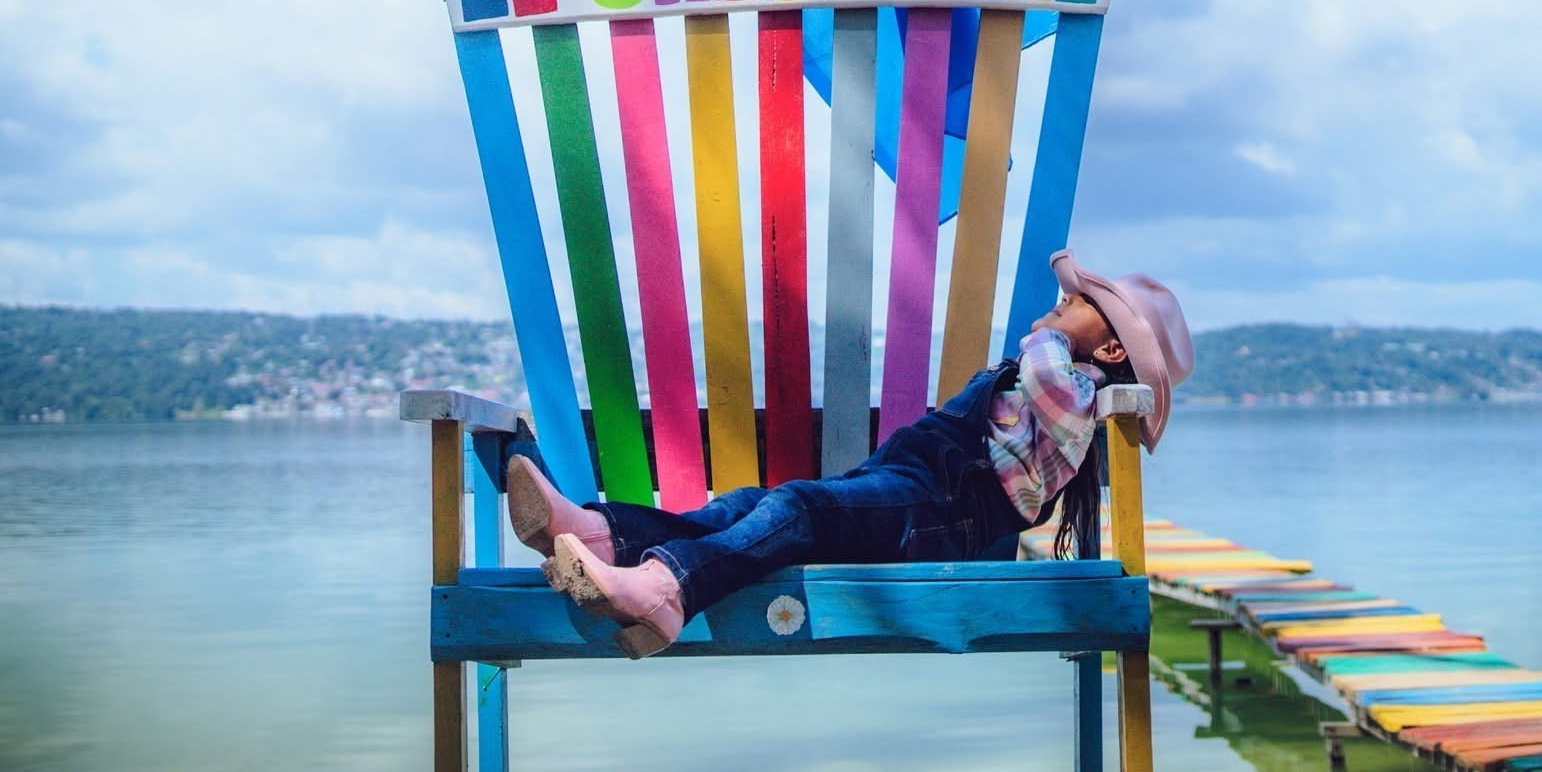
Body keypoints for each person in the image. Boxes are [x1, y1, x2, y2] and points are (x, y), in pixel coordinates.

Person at [504, 249, 1192, 659]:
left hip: (938, 516)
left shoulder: (1074, 394)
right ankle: (601, 533)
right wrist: (1057, 326)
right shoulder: (1064, 380)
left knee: (797, 506)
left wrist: (1045, 334)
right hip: (910, 491)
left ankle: (663, 591)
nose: (1062, 299)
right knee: (751, 507)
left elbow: (1042, 373)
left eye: (1079, 302)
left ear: (1108, 351)